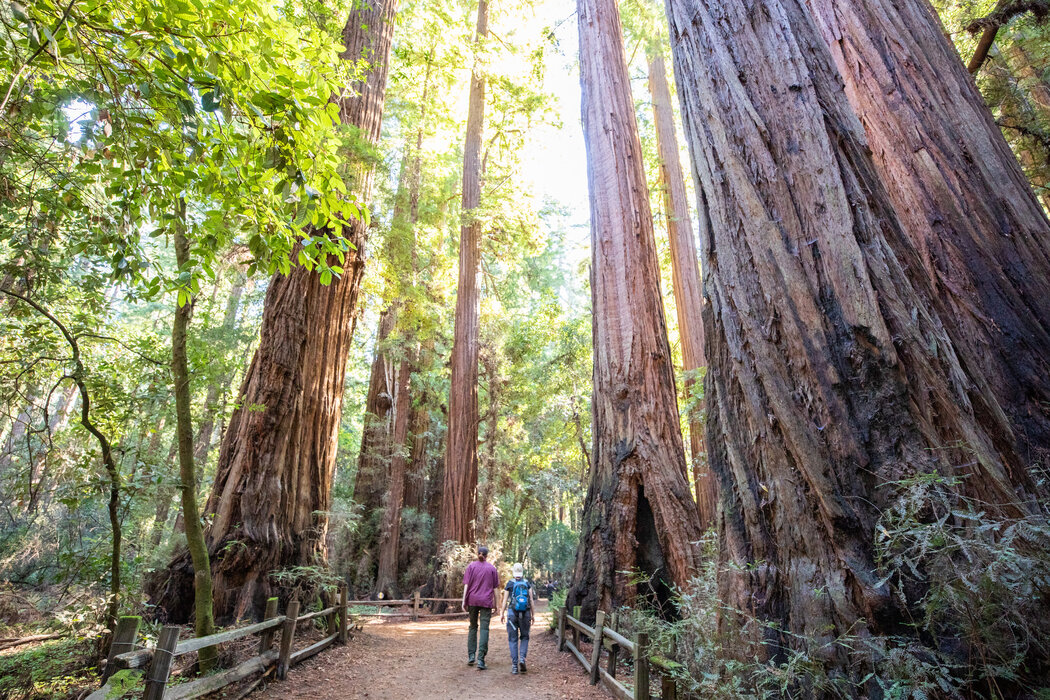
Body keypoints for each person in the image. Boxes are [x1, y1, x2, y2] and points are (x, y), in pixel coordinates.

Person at [461, 545, 500, 670]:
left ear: (477, 554)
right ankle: (481, 660)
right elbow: (495, 589)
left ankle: (471, 656)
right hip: (486, 602)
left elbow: (466, 585)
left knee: (472, 627)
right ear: (487, 555)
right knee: (484, 629)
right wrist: (497, 605)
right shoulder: (492, 569)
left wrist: (464, 601)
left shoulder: (471, 567)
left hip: (472, 600)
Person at [500, 562, 536, 675]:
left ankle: (515, 666)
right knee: (525, 637)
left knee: (513, 639)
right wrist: (533, 614)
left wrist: (501, 613)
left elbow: (505, 600)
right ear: (522, 572)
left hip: (512, 614)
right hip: (525, 614)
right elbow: (530, 600)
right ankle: (522, 659)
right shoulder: (527, 583)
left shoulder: (510, 583)